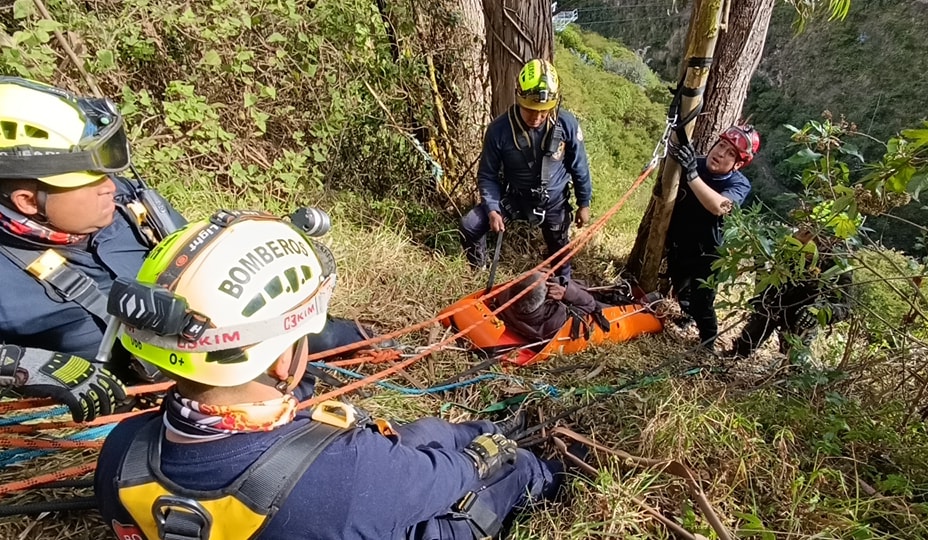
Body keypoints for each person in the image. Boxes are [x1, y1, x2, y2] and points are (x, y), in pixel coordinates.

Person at [95, 212, 562, 540]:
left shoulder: (122, 451)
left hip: (321, 490)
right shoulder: (348, 471)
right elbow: (434, 483)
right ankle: (550, 476)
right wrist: (479, 461)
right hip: (357, 497)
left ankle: (487, 431)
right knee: (507, 473)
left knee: (425, 433)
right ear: (282, 362)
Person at [0, 77, 393, 422]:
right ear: (27, 201)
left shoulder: (121, 202)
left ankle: (367, 341)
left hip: (220, 334)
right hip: (163, 390)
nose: (110, 186)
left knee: (329, 336)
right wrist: (31, 365)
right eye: (89, 180)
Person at [459, 58, 592, 280]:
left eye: (543, 111)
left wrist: (584, 203)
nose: (537, 117)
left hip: (554, 201)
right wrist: (492, 209)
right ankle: (479, 269)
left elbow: (579, 165)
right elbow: (488, 174)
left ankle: (563, 285)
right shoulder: (499, 130)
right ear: (519, 98)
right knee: (470, 225)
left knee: (560, 254)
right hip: (516, 197)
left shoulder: (566, 124)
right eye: (530, 110)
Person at [666, 125, 760, 350]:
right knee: (682, 288)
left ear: (737, 165)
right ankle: (687, 315)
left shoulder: (738, 183)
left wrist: (692, 175)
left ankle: (708, 341)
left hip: (708, 253)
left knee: (703, 301)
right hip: (680, 242)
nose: (720, 153)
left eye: (730, 154)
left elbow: (720, 206)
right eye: (721, 145)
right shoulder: (695, 163)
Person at [728, 229, 854, 363]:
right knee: (759, 320)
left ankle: (793, 367)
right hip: (776, 302)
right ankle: (737, 354)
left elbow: (845, 308)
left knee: (794, 358)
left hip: (803, 314)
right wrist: (761, 265)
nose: (800, 235)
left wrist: (820, 310)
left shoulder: (837, 265)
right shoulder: (787, 249)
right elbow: (766, 284)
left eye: (807, 232)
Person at [496, 271, 607, 342]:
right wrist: (566, 293)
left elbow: (525, 288)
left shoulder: (503, 297)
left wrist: (536, 276)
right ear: (546, 295)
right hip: (589, 302)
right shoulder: (555, 320)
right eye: (546, 283)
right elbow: (590, 304)